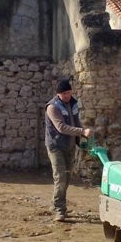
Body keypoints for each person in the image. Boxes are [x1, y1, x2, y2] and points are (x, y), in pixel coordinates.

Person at [45, 79, 92, 222]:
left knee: (66, 177)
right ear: (58, 94)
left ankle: (55, 203)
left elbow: (76, 122)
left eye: (69, 92)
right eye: (64, 93)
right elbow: (61, 127)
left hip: (70, 146)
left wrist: (82, 138)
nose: (67, 95)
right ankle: (60, 210)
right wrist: (82, 131)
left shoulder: (73, 103)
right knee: (60, 177)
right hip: (56, 146)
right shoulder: (52, 107)